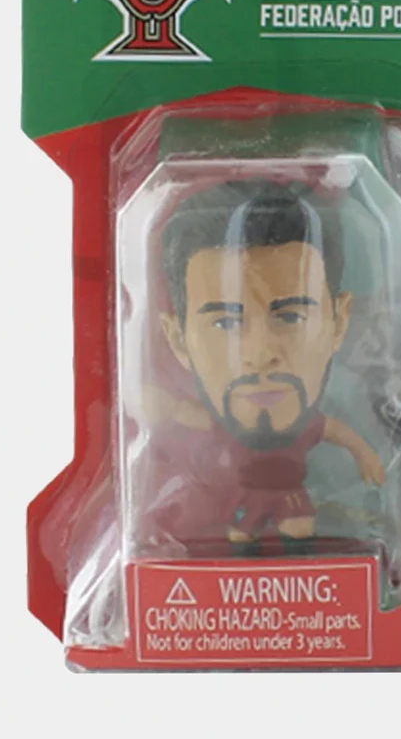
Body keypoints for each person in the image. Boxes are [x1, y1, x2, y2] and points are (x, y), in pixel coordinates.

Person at [152, 178, 384, 550]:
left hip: (294, 500)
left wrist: (366, 455)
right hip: (233, 505)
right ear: (178, 338)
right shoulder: (197, 442)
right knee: (241, 536)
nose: (259, 355)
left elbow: (341, 434)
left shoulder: (310, 424)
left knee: (297, 528)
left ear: (339, 321)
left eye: (291, 317)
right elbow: (180, 415)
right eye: (225, 323)